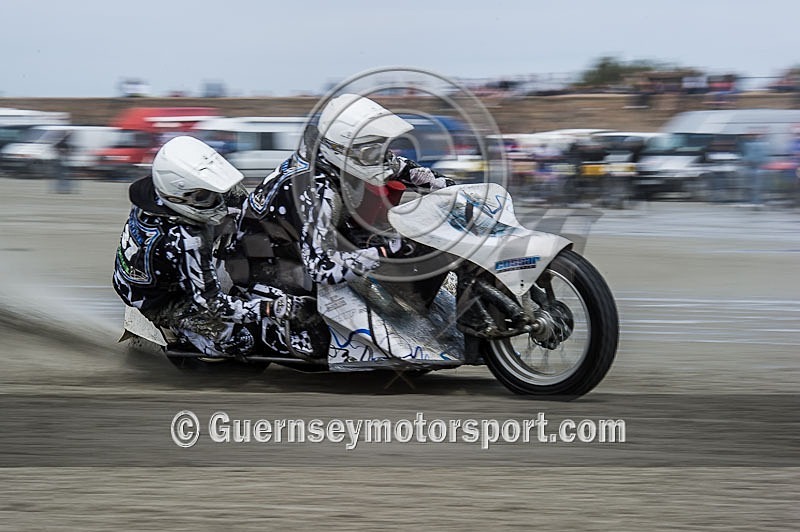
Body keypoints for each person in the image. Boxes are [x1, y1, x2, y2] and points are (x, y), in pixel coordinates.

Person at [240, 94, 467, 340]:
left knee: (403, 245)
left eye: (382, 147)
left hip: (323, 240)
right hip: (272, 263)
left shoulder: (356, 156)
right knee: (313, 338)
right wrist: (387, 251)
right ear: (342, 149)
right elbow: (322, 269)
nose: (381, 156)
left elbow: (413, 174)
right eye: (373, 150)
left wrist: (457, 193)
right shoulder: (312, 189)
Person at [113, 136, 302, 358]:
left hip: (149, 267)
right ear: (178, 194)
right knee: (242, 340)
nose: (216, 199)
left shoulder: (161, 190)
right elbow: (213, 304)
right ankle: (180, 336)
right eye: (205, 195)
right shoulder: (184, 239)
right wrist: (270, 309)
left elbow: (248, 207)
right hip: (162, 299)